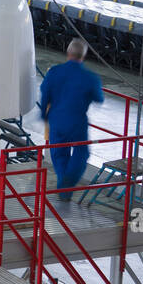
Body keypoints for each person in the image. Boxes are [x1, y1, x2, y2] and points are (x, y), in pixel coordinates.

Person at [38, 38, 106, 203]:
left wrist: (44, 115)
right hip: (77, 122)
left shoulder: (54, 72)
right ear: (83, 56)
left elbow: (44, 93)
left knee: (59, 153)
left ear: (68, 53)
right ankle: (67, 183)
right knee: (82, 153)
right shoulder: (90, 77)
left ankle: (64, 186)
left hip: (56, 120)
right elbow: (99, 98)